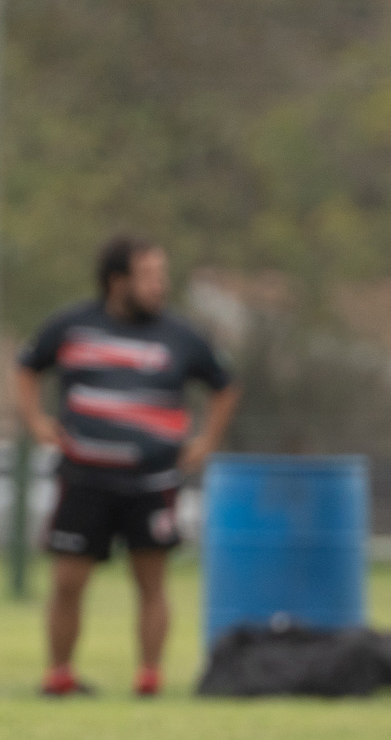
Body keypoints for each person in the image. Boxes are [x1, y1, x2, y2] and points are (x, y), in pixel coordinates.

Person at [15, 237, 240, 697]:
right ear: (118, 282)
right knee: (68, 581)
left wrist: (207, 440)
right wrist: (37, 420)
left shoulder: (181, 335)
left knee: (152, 581)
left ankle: (149, 678)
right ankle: (59, 676)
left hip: (151, 480)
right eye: (150, 276)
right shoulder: (72, 325)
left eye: (162, 275)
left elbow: (225, 383)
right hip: (84, 475)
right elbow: (25, 367)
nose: (161, 286)